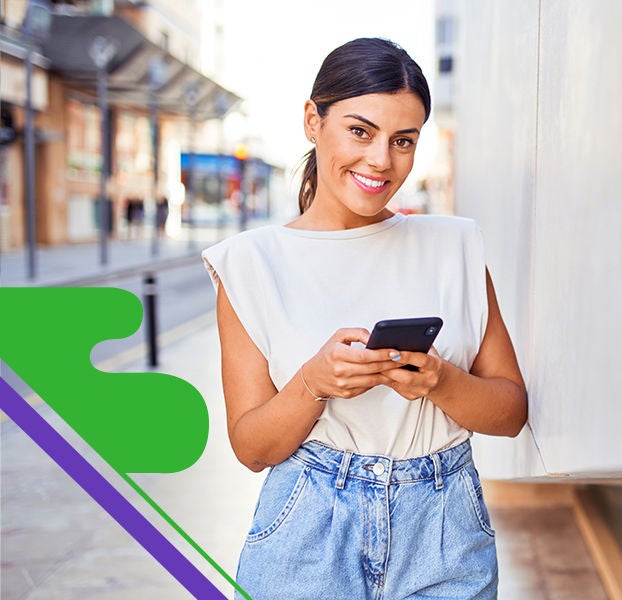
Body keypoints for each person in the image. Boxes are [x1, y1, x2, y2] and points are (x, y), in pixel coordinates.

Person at [200, 38, 527, 599]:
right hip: (307, 529)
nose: (381, 160)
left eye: (404, 140)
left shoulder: (456, 246)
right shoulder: (249, 263)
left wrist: (440, 382)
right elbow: (252, 449)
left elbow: (511, 413)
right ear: (313, 119)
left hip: (444, 527)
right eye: (360, 130)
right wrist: (313, 383)